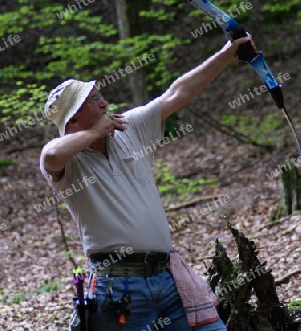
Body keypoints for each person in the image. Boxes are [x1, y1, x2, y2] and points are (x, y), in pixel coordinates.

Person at [40, 35, 253, 331]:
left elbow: (176, 93)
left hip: (167, 278)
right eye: (93, 100)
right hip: (117, 288)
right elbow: (50, 155)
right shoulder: (68, 161)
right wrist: (94, 133)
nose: (104, 103)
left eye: (100, 95)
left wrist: (227, 55)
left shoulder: (129, 126)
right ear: (73, 119)